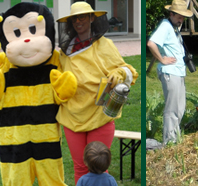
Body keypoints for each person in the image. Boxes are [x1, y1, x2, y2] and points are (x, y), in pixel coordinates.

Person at [56, 2, 138, 183]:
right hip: (73, 117)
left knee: (100, 168)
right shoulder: (65, 51)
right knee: (79, 167)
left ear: (92, 18)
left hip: (100, 115)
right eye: (74, 18)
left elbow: (128, 71)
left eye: (82, 17)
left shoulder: (104, 45)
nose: (78, 21)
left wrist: (118, 73)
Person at [147, 0, 193, 145]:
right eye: (179, 17)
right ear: (171, 13)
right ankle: (169, 142)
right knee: (172, 109)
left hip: (178, 72)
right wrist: (161, 59)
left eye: (183, 17)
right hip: (169, 72)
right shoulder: (166, 26)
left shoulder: (173, 27)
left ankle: (175, 138)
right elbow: (151, 43)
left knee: (180, 107)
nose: (181, 20)